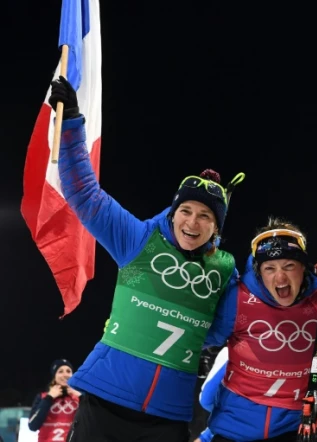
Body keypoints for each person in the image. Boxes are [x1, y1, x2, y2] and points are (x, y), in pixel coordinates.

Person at [48, 76, 238, 442]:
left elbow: (226, 326)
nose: (192, 222)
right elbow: (84, 194)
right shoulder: (138, 240)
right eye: (186, 211)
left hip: (165, 418)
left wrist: (190, 335)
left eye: (206, 216)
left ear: (216, 228)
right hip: (103, 402)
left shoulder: (224, 270)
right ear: (172, 212)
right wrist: (71, 123)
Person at [202, 217, 317, 441]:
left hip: (291, 431)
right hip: (233, 430)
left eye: (289, 266)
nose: (280, 277)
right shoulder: (238, 297)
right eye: (270, 268)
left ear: (303, 267)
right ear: (259, 271)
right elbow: (201, 335)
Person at [27, 359, 80, 442]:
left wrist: (81, 397)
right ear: (54, 376)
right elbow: (33, 426)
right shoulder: (42, 397)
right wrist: (49, 397)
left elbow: (92, 424)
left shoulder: (79, 397)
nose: (65, 374)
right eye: (60, 371)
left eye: (68, 371)